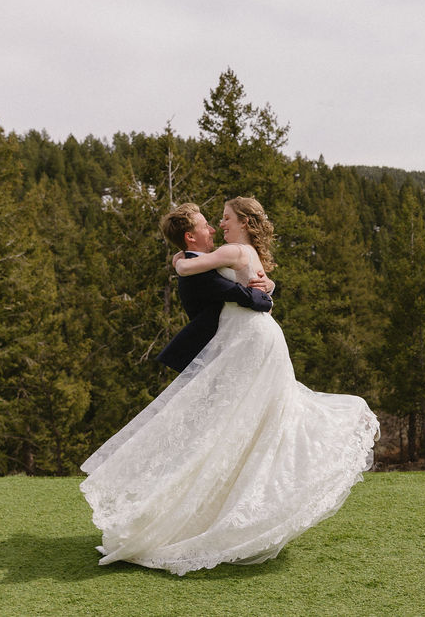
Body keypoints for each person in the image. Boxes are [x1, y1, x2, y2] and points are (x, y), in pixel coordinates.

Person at [80, 196, 379, 576]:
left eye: (223, 218)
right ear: (191, 234)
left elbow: (206, 272)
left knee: (237, 425)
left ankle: (227, 512)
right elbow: (240, 287)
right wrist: (253, 284)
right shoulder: (236, 250)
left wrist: (180, 260)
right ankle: (225, 510)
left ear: (242, 222)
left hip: (251, 342)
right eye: (212, 220)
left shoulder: (230, 250)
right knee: (245, 424)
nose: (217, 225)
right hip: (250, 340)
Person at [154, 203, 275, 372]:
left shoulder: (211, 260)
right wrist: (267, 298)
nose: (213, 230)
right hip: (222, 351)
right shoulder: (198, 274)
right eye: (205, 226)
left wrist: (269, 284)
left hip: (238, 342)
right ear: (190, 237)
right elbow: (246, 296)